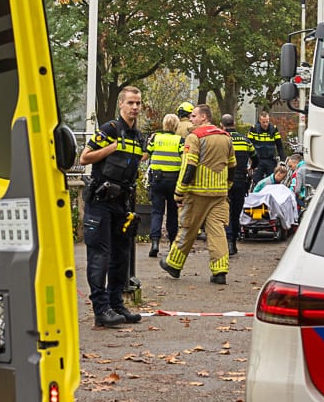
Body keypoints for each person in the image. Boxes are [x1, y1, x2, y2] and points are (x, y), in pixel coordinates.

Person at [79, 86, 146, 328]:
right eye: (130, 103)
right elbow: (84, 157)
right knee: (100, 256)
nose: (134, 107)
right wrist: (110, 148)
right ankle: (101, 309)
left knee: (121, 256)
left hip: (121, 203)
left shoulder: (138, 136)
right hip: (101, 202)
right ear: (121, 105)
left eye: (138, 103)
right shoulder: (110, 129)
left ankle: (116, 305)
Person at [160, 103, 233, 285]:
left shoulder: (194, 137)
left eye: (193, 116)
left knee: (187, 228)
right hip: (219, 193)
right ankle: (220, 271)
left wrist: (179, 191)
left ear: (203, 117)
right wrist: (227, 185)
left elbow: (189, 166)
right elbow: (232, 165)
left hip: (197, 192)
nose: (190, 119)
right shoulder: (226, 137)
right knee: (217, 232)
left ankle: (173, 264)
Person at [145, 113, 183, 258]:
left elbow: (145, 156)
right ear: (176, 125)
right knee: (172, 213)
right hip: (173, 181)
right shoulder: (180, 141)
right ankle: (172, 243)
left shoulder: (156, 138)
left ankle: (155, 243)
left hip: (157, 180)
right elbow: (184, 159)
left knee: (157, 212)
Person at [226, 121, 254, 257]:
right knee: (236, 212)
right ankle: (233, 241)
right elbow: (255, 157)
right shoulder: (245, 141)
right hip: (240, 180)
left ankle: (228, 241)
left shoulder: (223, 139)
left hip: (225, 180)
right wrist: (250, 168)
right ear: (234, 124)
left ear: (222, 125)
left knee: (226, 211)